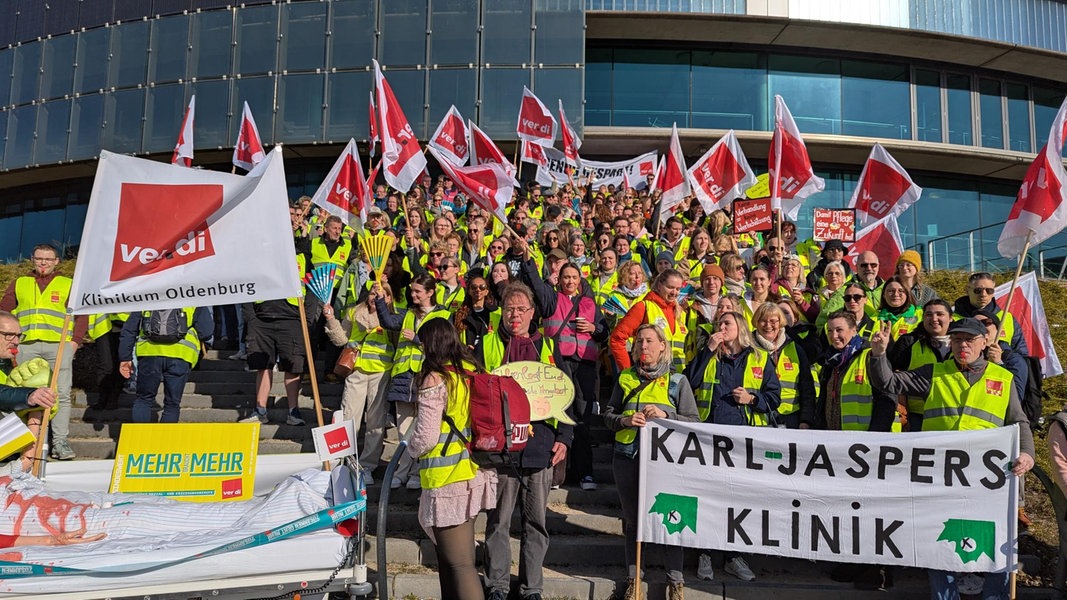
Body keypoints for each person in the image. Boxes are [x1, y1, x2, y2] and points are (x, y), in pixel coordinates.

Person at [868, 317, 1034, 599]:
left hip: (985, 482)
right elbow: (888, 381)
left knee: (993, 542)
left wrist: (1028, 454)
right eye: (957, 339)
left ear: (984, 343)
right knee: (940, 542)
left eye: (970, 339)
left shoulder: (1003, 378)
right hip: (942, 477)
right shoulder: (934, 372)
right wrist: (879, 354)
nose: (963, 345)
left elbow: (1019, 422)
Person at [476, 282, 573, 600]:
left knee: (536, 522)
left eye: (521, 309)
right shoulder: (488, 343)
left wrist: (565, 438)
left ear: (533, 313)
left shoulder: (547, 345)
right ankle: (498, 585)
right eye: (508, 309)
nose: (514, 315)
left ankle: (532, 588)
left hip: (539, 446)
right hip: (501, 448)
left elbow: (566, 392)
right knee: (498, 521)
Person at [603, 324, 699, 600]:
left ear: (662, 347)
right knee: (632, 521)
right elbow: (608, 416)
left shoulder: (678, 382)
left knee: (673, 520)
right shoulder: (624, 378)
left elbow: (694, 422)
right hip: (627, 456)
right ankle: (634, 580)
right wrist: (624, 420)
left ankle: (675, 583)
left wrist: (665, 416)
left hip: (667, 463)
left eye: (648, 341)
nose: (643, 346)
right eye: (638, 342)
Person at [686, 310, 780, 583]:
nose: (721, 327)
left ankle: (732, 556)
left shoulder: (759, 358)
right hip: (708, 438)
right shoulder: (709, 356)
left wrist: (753, 398)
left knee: (737, 501)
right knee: (707, 498)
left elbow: (775, 397)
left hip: (743, 441)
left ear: (740, 327)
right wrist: (707, 351)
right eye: (718, 324)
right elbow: (687, 382)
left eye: (726, 323)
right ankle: (704, 553)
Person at [406, 319, 496, 600]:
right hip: (471, 472)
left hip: (447, 479)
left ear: (430, 344)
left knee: (460, 564)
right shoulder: (470, 371)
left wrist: (409, 447)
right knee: (451, 560)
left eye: (422, 343)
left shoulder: (435, 378)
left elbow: (427, 436)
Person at [522, 249, 609, 491]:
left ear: (580, 280)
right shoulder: (550, 298)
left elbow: (605, 332)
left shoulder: (591, 304)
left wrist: (593, 327)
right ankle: (557, 472)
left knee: (582, 418)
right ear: (559, 280)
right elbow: (537, 286)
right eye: (565, 277)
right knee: (561, 414)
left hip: (584, 365)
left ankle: (585, 474)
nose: (569, 281)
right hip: (557, 364)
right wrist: (528, 261)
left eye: (573, 277)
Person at [0, 244, 86, 460]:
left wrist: (75, 341)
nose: (43, 263)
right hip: (25, 346)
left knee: (61, 394)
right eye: (39, 259)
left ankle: (59, 442)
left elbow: (82, 314)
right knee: (22, 391)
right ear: (32, 259)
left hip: (58, 345)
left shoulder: (68, 284)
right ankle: (27, 443)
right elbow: (4, 311)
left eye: (48, 259)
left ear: (57, 261)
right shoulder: (20, 283)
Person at [375, 273, 450, 490]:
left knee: (424, 429)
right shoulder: (408, 313)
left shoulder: (444, 315)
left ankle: (418, 473)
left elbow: (443, 345)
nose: (413, 294)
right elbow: (388, 322)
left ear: (430, 292)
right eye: (412, 291)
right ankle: (401, 472)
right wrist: (380, 299)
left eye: (418, 291)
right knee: (404, 430)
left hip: (428, 377)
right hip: (403, 378)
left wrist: (417, 340)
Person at [322, 284, 396, 484]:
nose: (375, 296)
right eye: (372, 292)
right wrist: (331, 319)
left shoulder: (392, 316)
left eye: (380, 294)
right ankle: (347, 462)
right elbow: (340, 339)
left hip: (381, 372)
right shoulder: (354, 312)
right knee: (349, 418)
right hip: (356, 370)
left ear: (388, 298)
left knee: (375, 421)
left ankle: (368, 466)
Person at [119, 307, 213, 424]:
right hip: (180, 355)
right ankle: (164, 440)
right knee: (172, 404)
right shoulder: (192, 297)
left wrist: (125, 358)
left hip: (149, 354)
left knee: (143, 400)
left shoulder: (147, 296)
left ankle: (141, 439)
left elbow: (129, 330)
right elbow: (206, 331)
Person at [0, 311, 58, 472]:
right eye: (9, 335)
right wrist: (29, 395)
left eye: (19, 336)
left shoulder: (8, 365)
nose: (16, 341)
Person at [886, 299, 954, 432]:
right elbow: (893, 375)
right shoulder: (909, 342)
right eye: (929, 315)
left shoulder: (963, 343)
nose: (934, 319)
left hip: (951, 415)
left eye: (940, 314)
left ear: (951, 318)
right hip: (916, 417)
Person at [751, 302, 815, 429]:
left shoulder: (796, 349)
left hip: (791, 418)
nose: (768, 325)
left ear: (780, 322)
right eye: (763, 321)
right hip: (757, 418)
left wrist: (805, 420)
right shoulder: (747, 349)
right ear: (756, 323)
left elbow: (807, 389)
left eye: (773, 321)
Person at [610, 269, 687, 373]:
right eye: (670, 287)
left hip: (677, 377)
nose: (674, 292)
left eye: (678, 289)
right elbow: (616, 339)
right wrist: (628, 371)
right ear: (659, 285)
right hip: (649, 376)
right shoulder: (644, 307)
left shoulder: (681, 313)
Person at [953, 272, 1027, 355]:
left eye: (989, 290)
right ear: (968, 290)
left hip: (1001, 366)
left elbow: (1021, 353)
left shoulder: (1006, 318)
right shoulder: (952, 319)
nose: (983, 294)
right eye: (978, 290)